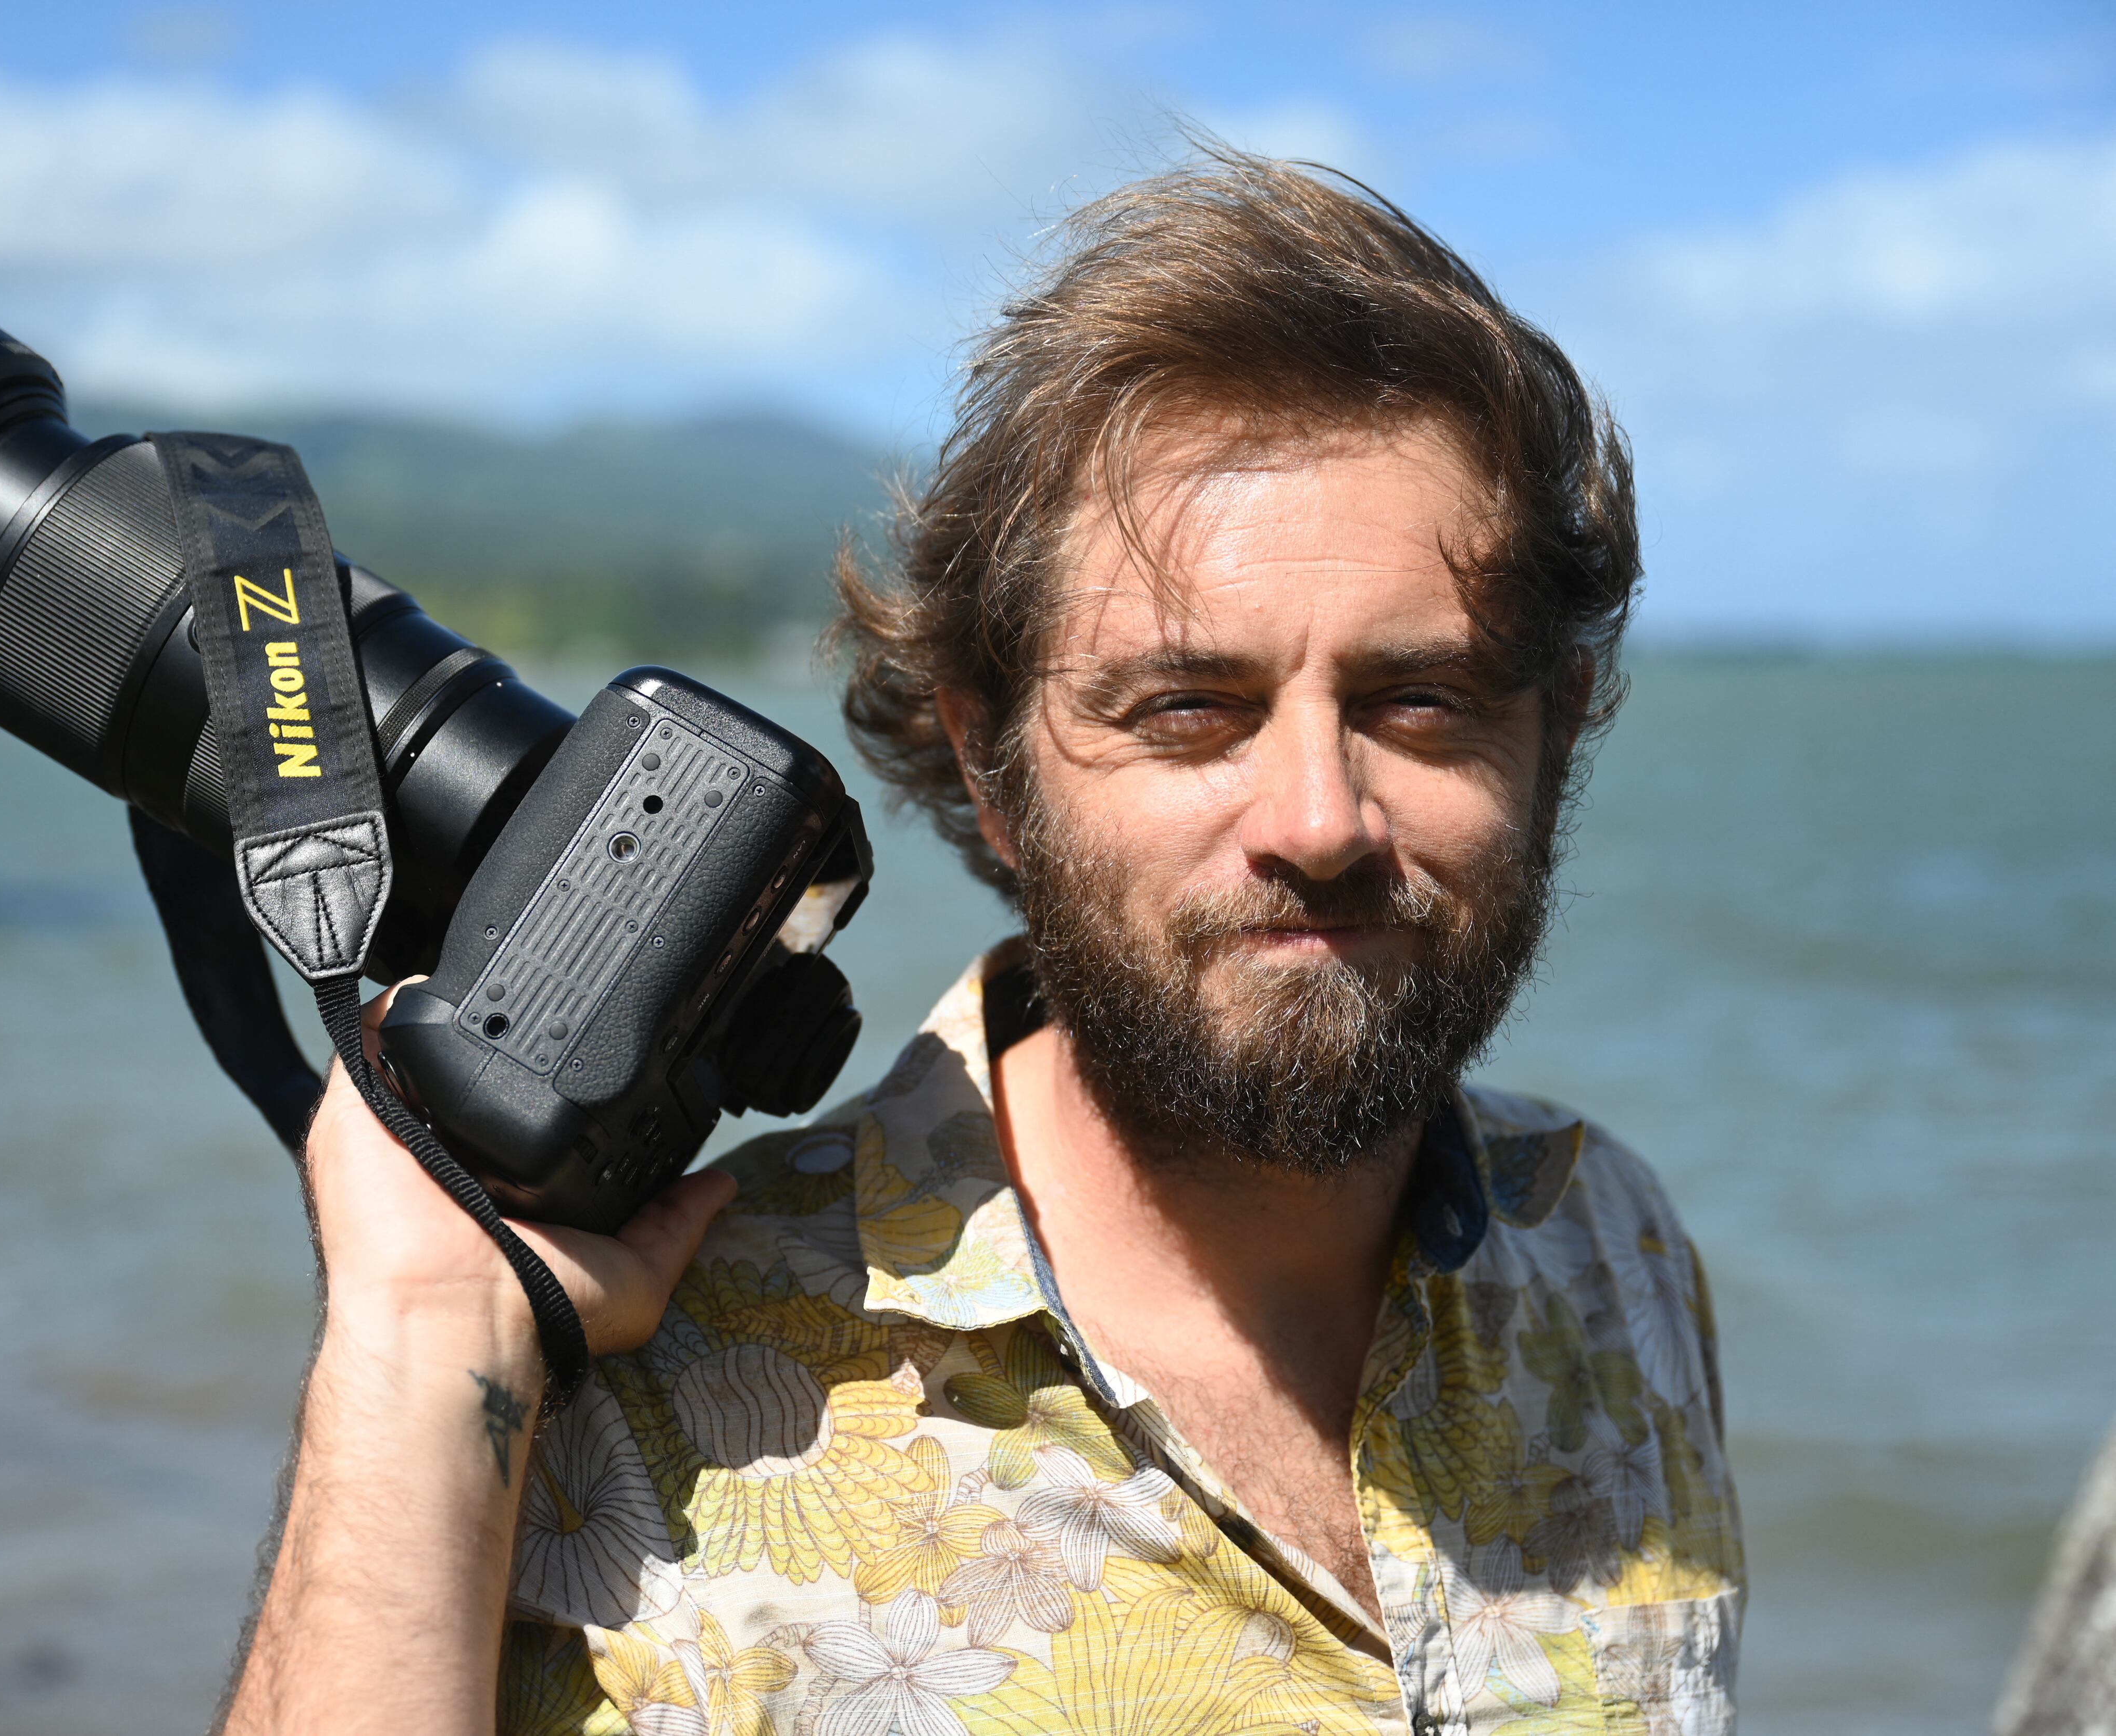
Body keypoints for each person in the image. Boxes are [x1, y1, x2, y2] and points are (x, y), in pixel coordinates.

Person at [217, 148, 1744, 1735]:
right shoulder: (636, 1409)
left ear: (1551, 740)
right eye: (1186, 710)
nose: (1319, 817)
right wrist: (419, 1341)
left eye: (1419, 701)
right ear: (996, 772)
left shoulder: (1611, 1251)